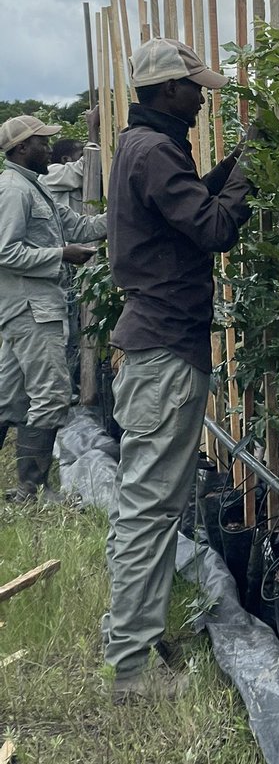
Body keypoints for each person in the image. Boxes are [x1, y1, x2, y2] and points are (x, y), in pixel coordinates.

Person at [104, 37, 254, 704]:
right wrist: (250, 166)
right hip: (164, 351)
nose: (202, 97)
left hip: (157, 346)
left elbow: (191, 207)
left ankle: (130, 637)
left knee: (148, 504)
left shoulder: (145, 148)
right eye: (195, 88)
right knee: (149, 509)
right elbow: (216, 228)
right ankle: (132, 668)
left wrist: (234, 161)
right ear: (168, 90)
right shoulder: (157, 150)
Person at [0, 115, 107, 500]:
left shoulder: (35, 187)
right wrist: (61, 254)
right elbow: (5, 251)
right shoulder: (14, 191)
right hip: (32, 308)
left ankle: (27, 485)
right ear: (22, 148)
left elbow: (79, 225)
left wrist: (130, 214)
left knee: (8, 396)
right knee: (52, 393)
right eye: (42, 142)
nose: (50, 148)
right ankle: (31, 487)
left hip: (28, 307)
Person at [43, 107, 102, 398]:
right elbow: (85, 169)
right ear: (65, 160)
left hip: (73, 261)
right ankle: (62, 393)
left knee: (75, 329)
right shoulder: (52, 175)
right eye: (80, 153)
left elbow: (82, 223)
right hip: (59, 266)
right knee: (64, 332)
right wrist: (93, 129)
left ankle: (68, 389)